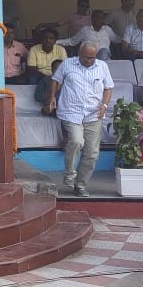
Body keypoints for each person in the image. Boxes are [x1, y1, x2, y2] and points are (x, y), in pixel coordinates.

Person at [43, 42, 114, 197]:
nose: (90, 60)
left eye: (93, 57)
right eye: (87, 57)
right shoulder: (67, 64)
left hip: (94, 113)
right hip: (71, 111)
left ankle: (80, 185)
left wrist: (104, 105)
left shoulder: (102, 66)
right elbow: (56, 80)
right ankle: (69, 173)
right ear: (79, 54)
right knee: (76, 141)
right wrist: (52, 97)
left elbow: (108, 87)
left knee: (92, 153)